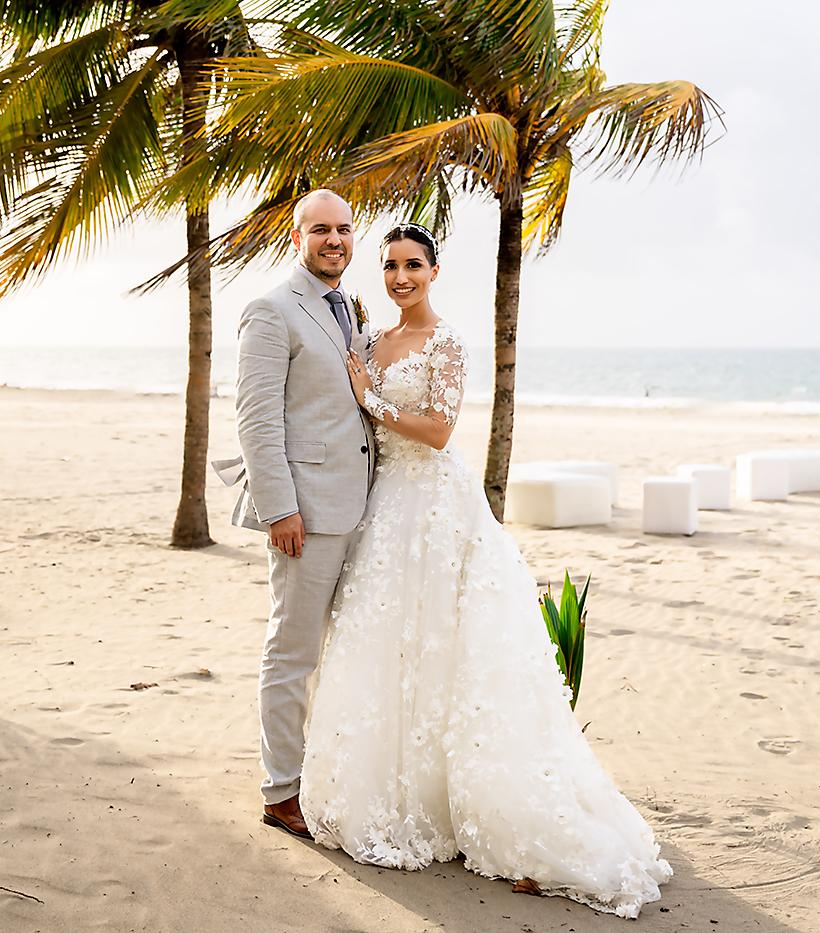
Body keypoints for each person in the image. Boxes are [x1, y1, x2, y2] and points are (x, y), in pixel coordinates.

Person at [299, 223, 672, 919]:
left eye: (413, 265)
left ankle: (468, 805)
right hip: (385, 509)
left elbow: (439, 429)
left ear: (435, 271)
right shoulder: (369, 341)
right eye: (390, 266)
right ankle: (396, 791)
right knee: (389, 645)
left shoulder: (446, 342)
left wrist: (371, 399)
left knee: (446, 647)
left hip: (438, 506)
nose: (401, 277)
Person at [217, 189, 375, 840]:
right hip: (304, 515)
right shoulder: (270, 310)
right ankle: (281, 792)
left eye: (343, 229)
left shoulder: (349, 309)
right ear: (297, 236)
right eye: (320, 230)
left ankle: (323, 774)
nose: (333, 239)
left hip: (359, 506)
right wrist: (279, 508)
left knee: (342, 653)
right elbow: (256, 420)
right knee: (292, 652)